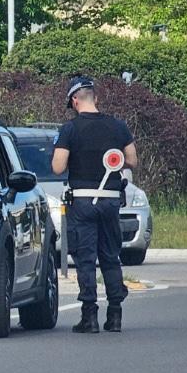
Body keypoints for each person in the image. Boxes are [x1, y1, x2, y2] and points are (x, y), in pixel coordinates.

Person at [52, 76, 139, 333]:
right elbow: (132, 161)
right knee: (110, 256)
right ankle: (115, 316)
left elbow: (57, 167)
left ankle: (89, 316)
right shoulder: (118, 126)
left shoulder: (70, 129)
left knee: (86, 258)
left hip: (82, 201)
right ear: (96, 99)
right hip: (111, 201)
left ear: (75, 101)